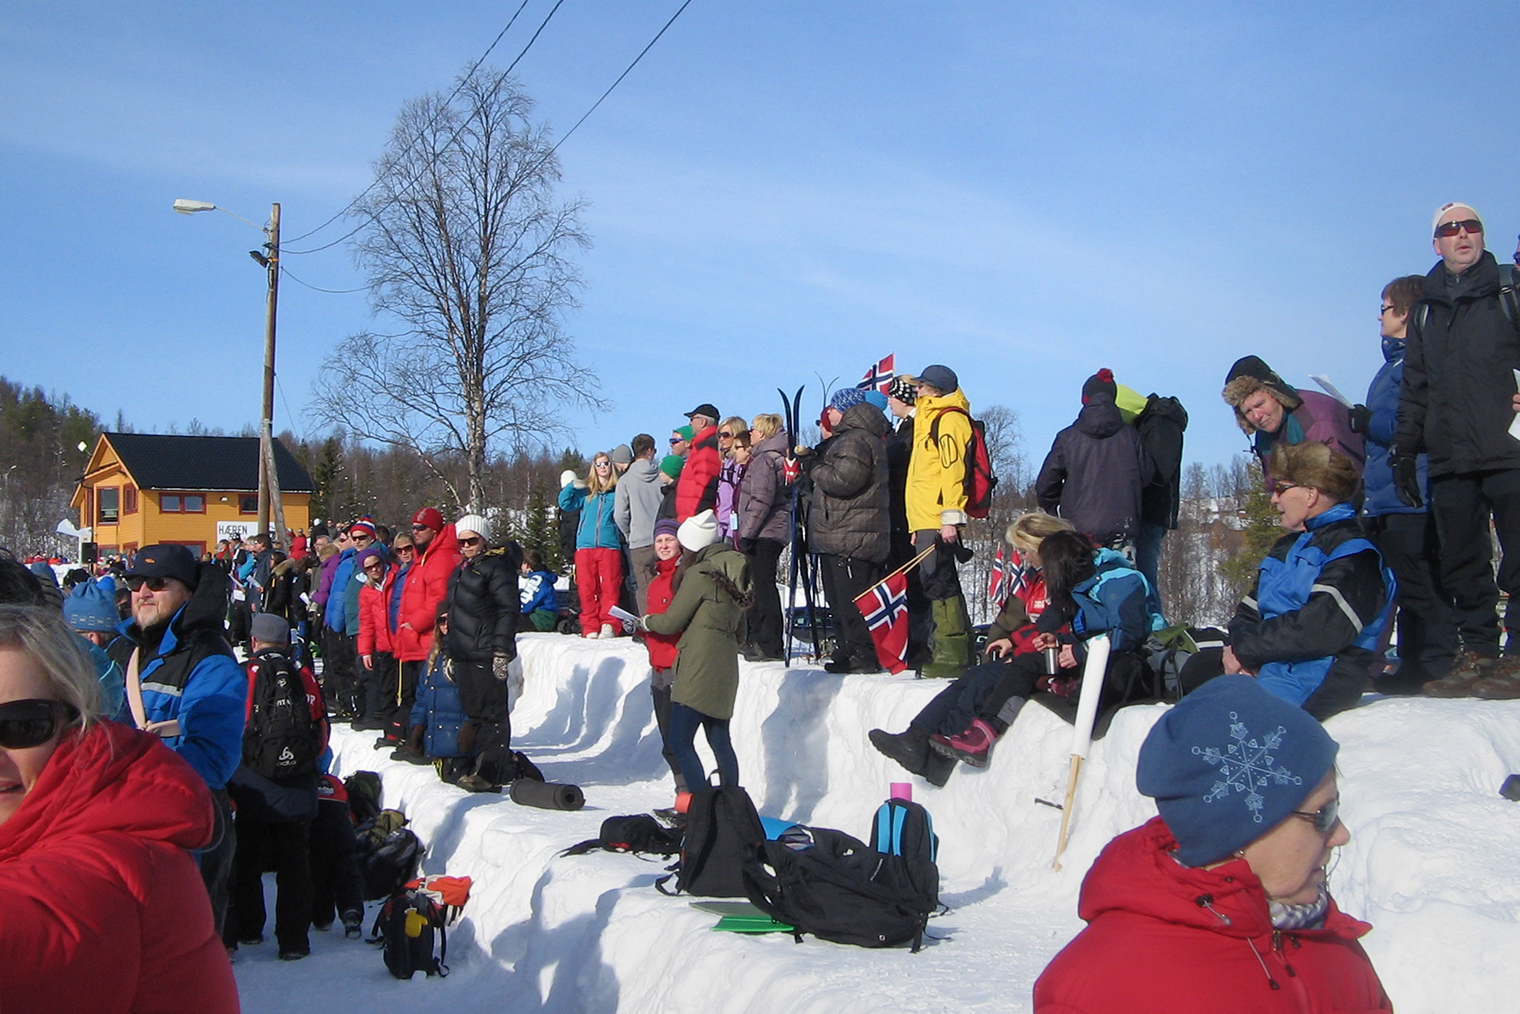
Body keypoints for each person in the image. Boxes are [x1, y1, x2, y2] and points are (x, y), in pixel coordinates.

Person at [1033, 674, 1392, 1013]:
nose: (1341, 835)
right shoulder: (1098, 990)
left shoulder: (1331, 942)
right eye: (1323, 815)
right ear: (1239, 831)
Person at [0, 605, 240, 1013]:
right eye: (140, 582)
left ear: (79, 727)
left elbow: (38, 926)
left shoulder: (113, 865)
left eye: (22, 725)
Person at [870, 528, 1161, 781]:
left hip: (1126, 661)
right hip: (1086, 653)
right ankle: (932, 737)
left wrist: (1078, 649)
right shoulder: (1078, 583)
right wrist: (1059, 640)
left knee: (990, 677)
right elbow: (1073, 628)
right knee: (992, 672)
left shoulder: (1119, 581)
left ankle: (936, 754)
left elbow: (1129, 632)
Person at [1395, 202, 1520, 697]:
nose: (1462, 234)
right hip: (1450, 458)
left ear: (1482, 236)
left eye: (1471, 226)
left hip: (1510, 448)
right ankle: (1479, 653)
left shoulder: (1510, 288)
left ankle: (1517, 656)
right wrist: (1404, 451)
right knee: (1462, 561)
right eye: (1450, 229)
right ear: (1436, 243)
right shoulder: (1426, 308)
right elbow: (1415, 385)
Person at [1189, 442, 1392, 720]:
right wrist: (1239, 652)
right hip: (1271, 664)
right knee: (1192, 672)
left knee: (1226, 717)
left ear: (1310, 493)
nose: (1274, 499)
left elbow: (1319, 630)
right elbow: (1246, 613)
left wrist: (1247, 651)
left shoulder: (1355, 554)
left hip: (1317, 675)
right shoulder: (1287, 547)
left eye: (1282, 489)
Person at [118, 544, 246, 942]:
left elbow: (212, 758)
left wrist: (133, 767)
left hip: (184, 825)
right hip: (125, 821)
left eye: (158, 583)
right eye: (136, 582)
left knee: (179, 948)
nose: (143, 592)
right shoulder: (125, 650)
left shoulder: (210, 658)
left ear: (188, 593)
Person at [1351, 274, 1458, 694]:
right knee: (1405, 581)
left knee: (1420, 582)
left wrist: (1368, 422)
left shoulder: (1418, 360)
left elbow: (1416, 424)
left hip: (1411, 493)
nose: (1379, 315)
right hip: (1386, 494)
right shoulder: (1393, 363)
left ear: (1406, 313)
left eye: (1385, 306)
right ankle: (1416, 662)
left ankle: (1435, 661)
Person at [225, 613, 327, 961]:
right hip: (297, 785)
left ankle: (249, 928)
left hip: (252, 784)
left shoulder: (244, 674)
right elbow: (320, 731)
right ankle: (294, 941)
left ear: (254, 642)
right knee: (294, 863)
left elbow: (233, 726)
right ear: (286, 643)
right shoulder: (302, 675)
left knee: (247, 858)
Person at [642, 510, 752, 792]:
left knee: (679, 741)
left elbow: (671, 622)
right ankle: (730, 804)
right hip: (725, 666)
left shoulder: (700, 574)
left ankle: (703, 807)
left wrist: (644, 622)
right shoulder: (734, 570)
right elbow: (742, 632)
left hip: (696, 666)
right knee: (720, 741)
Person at [802, 386, 891, 674]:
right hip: (842, 532)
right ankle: (847, 650)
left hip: (852, 534)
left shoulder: (855, 440)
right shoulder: (854, 439)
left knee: (852, 601)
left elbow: (844, 480)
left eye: (834, 407)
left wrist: (813, 467)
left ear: (848, 411)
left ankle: (862, 654)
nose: (829, 413)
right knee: (839, 600)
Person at [1036, 368, 1155, 554]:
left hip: (1078, 531)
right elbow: (1147, 476)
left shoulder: (1068, 438)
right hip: (1123, 528)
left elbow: (1046, 484)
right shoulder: (1131, 437)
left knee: (1082, 581)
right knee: (1121, 581)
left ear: (1085, 399)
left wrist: (1054, 513)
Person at [442, 513, 521, 792]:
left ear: (484, 540)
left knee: (492, 714)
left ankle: (492, 770)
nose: (465, 546)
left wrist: (501, 650)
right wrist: (449, 651)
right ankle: (478, 764)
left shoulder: (496, 568)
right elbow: (451, 613)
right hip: (463, 651)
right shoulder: (461, 570)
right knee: (474, 713)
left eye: (471, 541)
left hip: (485, 650)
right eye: (461, 542)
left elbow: (508, 610)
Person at [906, 364, 976, 677]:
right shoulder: (930, 417)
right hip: (925, 517)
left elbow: (952, 471)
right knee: (934, 580)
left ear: (935, 388)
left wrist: (950, 517)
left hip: (937, 517)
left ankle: (952, 656)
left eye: (921, 385)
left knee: (940, 583)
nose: (917, 391)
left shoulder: (949, 419)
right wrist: (915, 525)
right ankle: (954, 652)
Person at [1222, 355, 1365, 488]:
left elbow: (1340, 483)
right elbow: (1276, 488)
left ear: (1276, 394)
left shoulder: (1316, 419)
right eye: (1248, 411)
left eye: (1260, 405)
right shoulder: (1265, 436)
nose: (1257, 415)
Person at [394, 507, 459, 741]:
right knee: (414, 694)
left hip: (425, 640)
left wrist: (415, 623)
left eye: (420, 528)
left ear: (434, 530)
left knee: (426, 695)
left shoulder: (439, 557)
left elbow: (439, 599)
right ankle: (412, 739)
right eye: (413, 527)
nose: (415, 532)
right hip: (414, 641)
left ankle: (424, 741)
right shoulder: (425, 556)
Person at [733, 413, 791, 662]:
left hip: (765, 532)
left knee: (763, 586)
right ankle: (762, 639)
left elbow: (761, 499)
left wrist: (747, 532)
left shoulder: (765, 460)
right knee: (760, 585)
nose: (751, 433)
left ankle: (769, 643)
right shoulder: (769, 458)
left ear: (764, 433)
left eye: (755, 429)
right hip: (768, 530)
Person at [641, 517, 690, 799]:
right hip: (657, 667)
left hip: (676, 665)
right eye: (659, 541)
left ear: (680, 543)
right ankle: (682, 792)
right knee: (666, 740)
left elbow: (676, 620)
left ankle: (688, 793)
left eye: (668, 540)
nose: (663, 545)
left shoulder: (682, 577)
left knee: (677, 740)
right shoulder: (655, 580)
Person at [559, 451, 625, 639]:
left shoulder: (617, 492)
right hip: (585, 547)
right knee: (587, 588)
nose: (603, 467)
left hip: (609, 546)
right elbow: (565, 503)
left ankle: (609, 623)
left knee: (609, 587)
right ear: (593, 468)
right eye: (599, 464)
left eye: (605, 463)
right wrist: (572, 486)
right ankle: (589, 625)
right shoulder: (586, 493)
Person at [615, 434, 665, 611]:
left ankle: (648, 627)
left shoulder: (626, 480)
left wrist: (629, 533)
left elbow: (620, 514)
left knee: (644, 588)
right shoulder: (662, 476)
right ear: (650, 451)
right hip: (664, 539)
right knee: (667, 585)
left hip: (639, 541)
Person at [354, 545, 397, 731]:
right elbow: (366, 623)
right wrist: (365, 651)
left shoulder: (395, 579)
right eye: (369, 568)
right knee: (385, 687)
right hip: (383, 646)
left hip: (400, 643)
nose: (374, 570)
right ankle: (388, 725)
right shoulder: (366, 591)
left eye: (377, 564)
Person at [675, 403, 723, 521]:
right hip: (692, 519)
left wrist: (697, 517)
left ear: (703, 422)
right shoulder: (700, 446)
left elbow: (706, 484)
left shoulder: (706, 446)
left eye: (692, 419)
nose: (690, 423)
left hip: (696, 521)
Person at [519, 548, 560, 632]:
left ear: (527, 565)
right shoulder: (542, 576)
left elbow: (526, 603)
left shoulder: (537, 580)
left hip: (541, 619)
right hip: (546, 617)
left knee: (507, 621)